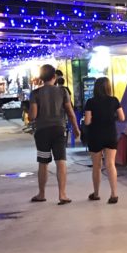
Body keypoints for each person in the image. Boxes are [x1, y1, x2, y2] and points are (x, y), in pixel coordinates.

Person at [29, 64, 82, 205]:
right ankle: (62, 194)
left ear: (41, 78)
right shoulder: (63, 91)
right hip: (59, 129)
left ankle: (41, 194)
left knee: (43, 163)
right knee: (61, 161)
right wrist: (76, 128)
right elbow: (70, 112)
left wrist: (30, 112)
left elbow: (33, 115)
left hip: (42, 131)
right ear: (54, 77)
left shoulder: (35, 93)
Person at [84, 77, 125, 204]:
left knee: (96, 166)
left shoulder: (90, 102)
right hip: (110, 134)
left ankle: (96, 193)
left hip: (95, 135)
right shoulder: (114, 100)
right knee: (110, 164)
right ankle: (113, 194)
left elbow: (87, 121)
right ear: (108, 87)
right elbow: (122, 117)